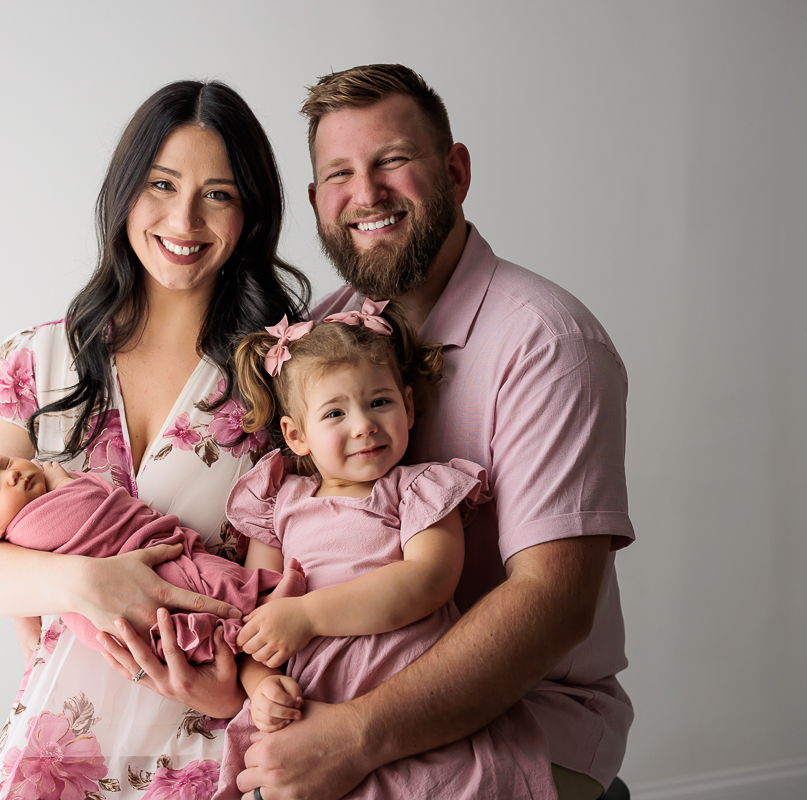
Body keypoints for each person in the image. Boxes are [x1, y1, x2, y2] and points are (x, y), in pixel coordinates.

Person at [233, 65, 635, 800]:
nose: (367, 194)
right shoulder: (318, 339)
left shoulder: (548, 343)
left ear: (455, 173)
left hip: (524, 712)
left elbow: (553, 603)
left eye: (392, 160)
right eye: (339, 174)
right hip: (335, 692)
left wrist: (353, 738)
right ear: (318, 200)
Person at [0, 79, 309, 800]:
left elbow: (278, 594)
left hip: (198, 750)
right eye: (161, 184)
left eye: (218, 194)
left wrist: (235, 692)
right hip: (52, 751)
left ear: (250, 214)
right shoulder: (36, 362)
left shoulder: (276, 383)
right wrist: (86, 585)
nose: (184, 219)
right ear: (124, 192)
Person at [209, 300, 556, 800]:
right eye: (335, 412)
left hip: (405, 696)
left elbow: (428, 579)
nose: (364, 425)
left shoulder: (418, 489)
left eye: (379, 402)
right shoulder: (277, 503)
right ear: (296, 435)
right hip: (310, 708)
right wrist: (261, 685)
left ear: (408, 407)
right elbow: (255, 621)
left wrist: (308, 615)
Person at [0, 442, 306, 660]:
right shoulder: (28, 527)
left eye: (4, 463)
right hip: (122, 598)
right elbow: (88, 511)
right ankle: (262, 604)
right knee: (202, 585)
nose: (12, 475)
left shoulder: (24, 515)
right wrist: (62, 481)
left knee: (202, 585)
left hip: (140, 569)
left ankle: (259, 612)